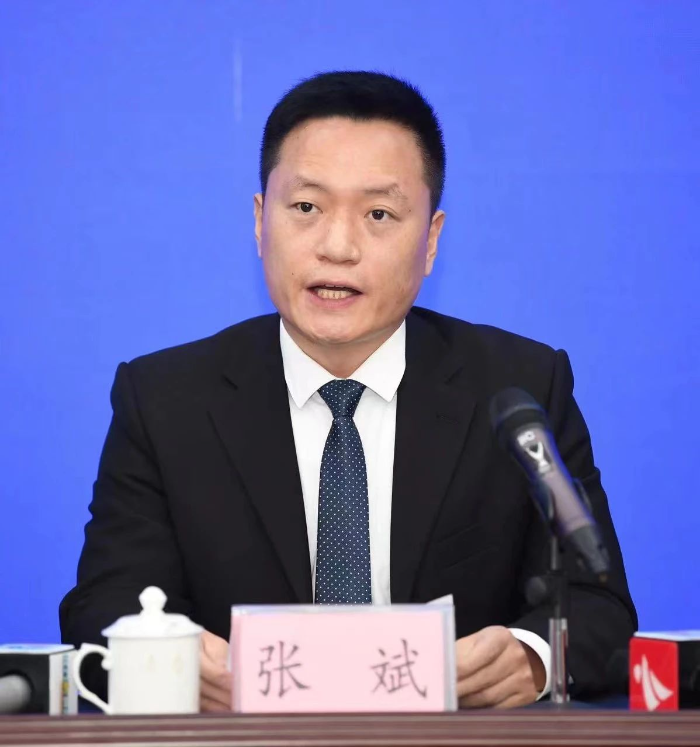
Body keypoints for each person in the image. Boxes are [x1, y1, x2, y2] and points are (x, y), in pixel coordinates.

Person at [60, 71, 636, 711]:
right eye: (306, 208)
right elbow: (101, 607)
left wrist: (533, 657)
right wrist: (173, 661)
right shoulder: (166, 400)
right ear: (260, 222)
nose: (337, 247)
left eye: (379, 214)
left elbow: (599, 604)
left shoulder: (518, 389)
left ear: (431, 241)